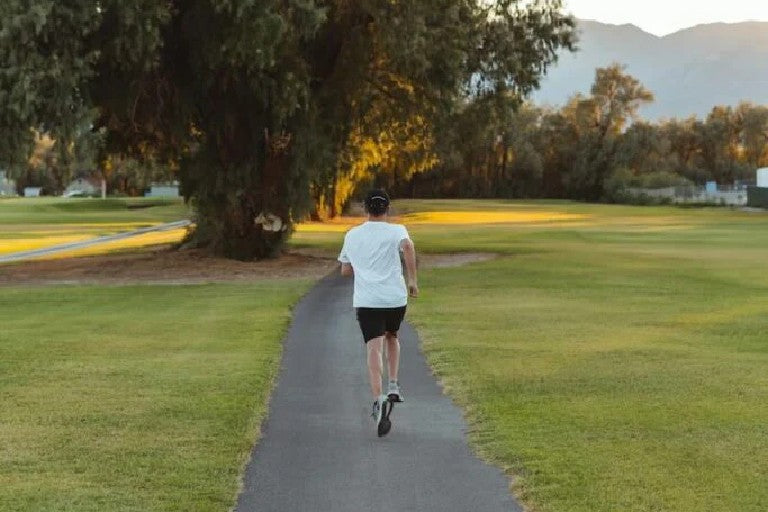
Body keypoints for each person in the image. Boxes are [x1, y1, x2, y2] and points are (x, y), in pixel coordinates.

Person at [338, 189, 419, 433]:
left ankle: (378, 398)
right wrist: (412, 279)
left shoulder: (352, 235)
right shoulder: (397, 231)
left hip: (367, 299)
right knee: (392, 335)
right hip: (395, 297)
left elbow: (345, 270)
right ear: (387, 208)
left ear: (366, 209)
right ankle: (393, 384)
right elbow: (408, 246)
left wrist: (361, 265)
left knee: (374, 346)